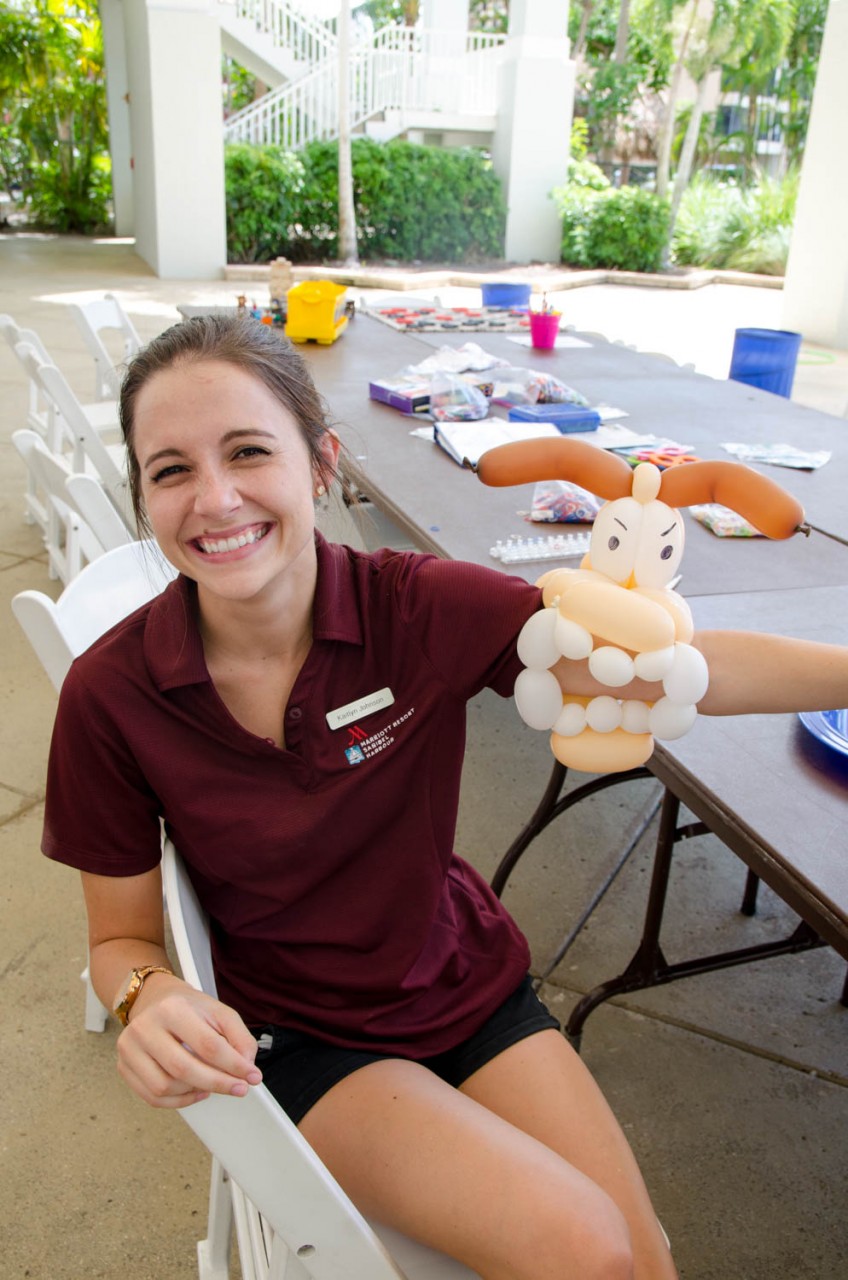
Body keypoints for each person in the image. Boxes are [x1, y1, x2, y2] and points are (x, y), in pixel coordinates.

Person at [42, 316, 848, 1280]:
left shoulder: (412, 606)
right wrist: (148, 995)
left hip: (458, 977)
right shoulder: (111, 695)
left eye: (249, 451)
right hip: (301, 1031)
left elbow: (665, 669)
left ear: (321, 461)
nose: (215, 499)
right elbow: (119, 941)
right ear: (144, 494)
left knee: (643, 1259)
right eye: (171, 470)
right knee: (586, 1250)